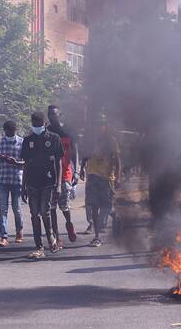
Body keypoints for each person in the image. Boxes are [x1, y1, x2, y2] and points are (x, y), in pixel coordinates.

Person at [19, 111, 64, 258]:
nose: (36, 127)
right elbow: (25, 163)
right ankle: (39, 246)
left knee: (45, 212)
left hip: (48, 181)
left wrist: (58, 185)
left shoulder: (54, 138)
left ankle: (51, 239)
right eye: (34, 124)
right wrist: (23, 185)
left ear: (44, 124)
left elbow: (58, 163)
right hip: (32, 182)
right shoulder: (28, 140)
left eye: (38, 124)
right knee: (34, 215)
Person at [80, 114, 121, 247]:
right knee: (94, 206)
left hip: (106, 178)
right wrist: (81, 169)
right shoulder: (90, 140)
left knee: (107, 207)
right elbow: (85, 157)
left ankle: (116, 217)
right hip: (92, 176)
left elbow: (118, 161)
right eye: (96, 125)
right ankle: (97, 237)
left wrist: (118, 177)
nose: (98, 127)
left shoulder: (111, 140)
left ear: (105, 126)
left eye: (101, 125)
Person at [46, 105, 78, 247]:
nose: (52, 117)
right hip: (50, 174)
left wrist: (76, 171)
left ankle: (69, 224)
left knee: (64, 205)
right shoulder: (47, 131)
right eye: (50, 115)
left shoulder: (68, 130)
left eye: (54, 114)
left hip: (65, 172)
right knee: (51, 207)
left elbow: (74, 151)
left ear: (60, 115)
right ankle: (57, 237)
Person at [0, 120, 24, 247]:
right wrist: (0, 158)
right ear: (5, 131)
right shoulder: (0, 143)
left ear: (15, 130)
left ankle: (19, 232)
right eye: (8, 131)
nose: (10, 133)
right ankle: (4, 236)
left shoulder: (21, 142)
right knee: (3, 210)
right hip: (3, 180)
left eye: (12, 131)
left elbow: (26, 162)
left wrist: (16, 162)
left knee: (17, 209)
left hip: (17, 180)